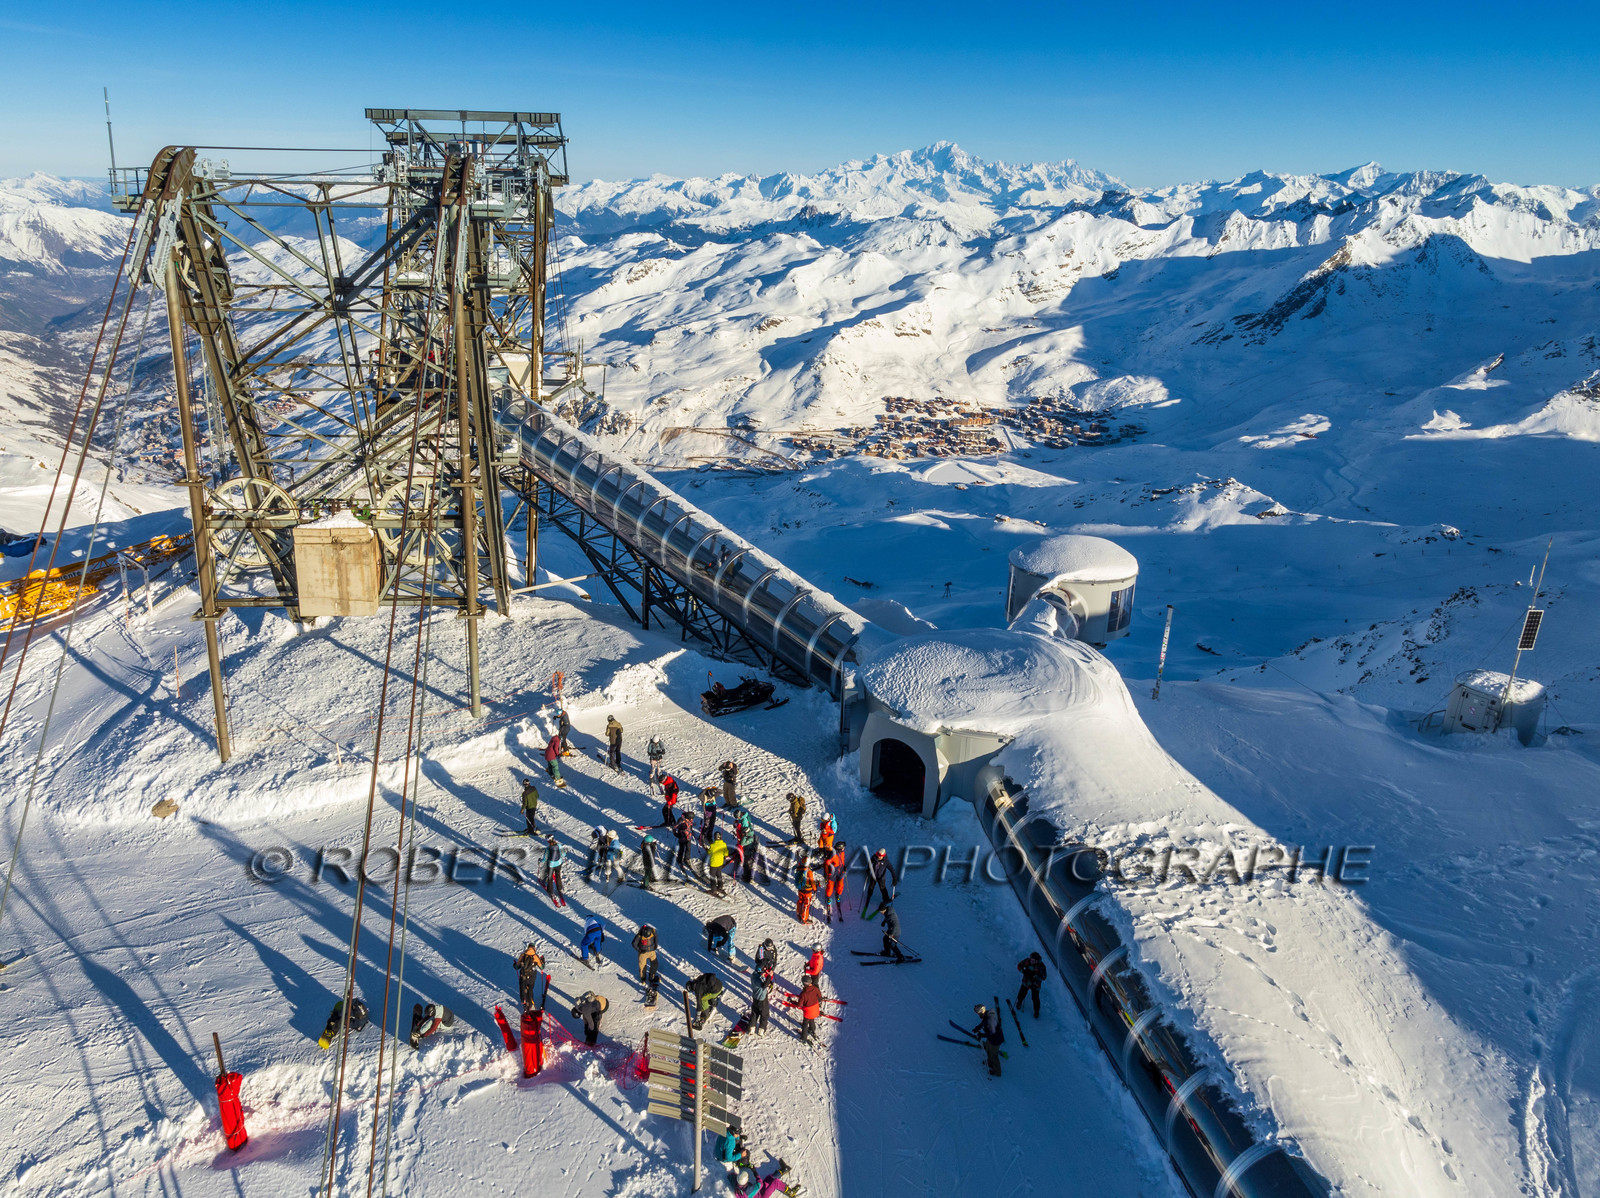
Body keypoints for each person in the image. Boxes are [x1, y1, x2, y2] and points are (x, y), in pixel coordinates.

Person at [970, 1003, 1004, 1077]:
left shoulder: (989, 1019)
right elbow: (983, 1023)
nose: (978, 1015)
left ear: (981, 1012)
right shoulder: (987, 1015)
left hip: (996, 1040)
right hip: (991, 1038)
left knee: (993, 1055)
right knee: (988, 1049)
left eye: (978, 1013)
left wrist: (982, 1035)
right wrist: (977, 1028)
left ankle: (997, 1071)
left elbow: (992, 1033)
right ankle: (990, 1062)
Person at [862, 848, 897, 916]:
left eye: (880, 856)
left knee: (882, 888)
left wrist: (894, 879)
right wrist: (868, 869)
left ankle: (886, 900)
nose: (879, 856)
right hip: (873, 876)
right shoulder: (874, 858)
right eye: (878, 855)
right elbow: (869, 863)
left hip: (881, 878)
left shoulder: (886, 861)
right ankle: (868, 897)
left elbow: (892, 870)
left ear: (883, 855)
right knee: (871, 887)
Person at [787, 978, 822, 1045]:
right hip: (815, 1009)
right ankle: (812, 1029)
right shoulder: (815, 989)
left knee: (805, 1024)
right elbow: (820, 998)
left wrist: (791, 1001)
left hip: (808, 1012)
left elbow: (799, 1005)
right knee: (811, 1018)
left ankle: (803, 1038)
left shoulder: (803, 994)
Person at [514, 942, 546, 1011]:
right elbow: (542, 967)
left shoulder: (523, 955)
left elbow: (517, 967)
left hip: (523, 976)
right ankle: (530, 1004)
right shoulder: (535, 956)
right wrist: (543, 960)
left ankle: (525, 1004)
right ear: (534, 948)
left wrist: (515, 964)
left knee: (524, 989)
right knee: (530, 990)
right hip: (532, 977)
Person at [1016, 951, 1048, 1018]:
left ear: (1037, 960)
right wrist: (1024, 971)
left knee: (1035, 998)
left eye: (1033, 960)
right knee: (1022, 993)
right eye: (1031, 959)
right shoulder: (1027, 961)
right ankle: (1019, 1002)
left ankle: (1036, 1011)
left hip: (1035, 985)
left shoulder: (1041, 966)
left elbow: (1044, 977)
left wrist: (1035, 975)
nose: (1031, 961)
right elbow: (1019, 966)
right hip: (1026, 982)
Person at [823, 841, 848, 924]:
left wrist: (844, 866)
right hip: (833, 872)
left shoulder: (842, 852)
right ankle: (828, 897)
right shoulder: (833, 854)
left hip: (840, 871)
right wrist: (826, 873)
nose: (844, 848)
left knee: (840, 885)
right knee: (830, 887)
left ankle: (838, 895)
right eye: (843, 847)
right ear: (840, 848)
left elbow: (842, 860)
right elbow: (826, 863)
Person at [748, 965, 771, 1035]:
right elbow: (764, 985)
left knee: (755, 1012)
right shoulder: (759, 981)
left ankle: (752, 1027)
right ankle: (761, 1029)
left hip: (755, 998)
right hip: (762, 1000)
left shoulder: (754, 976)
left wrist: (763, 974)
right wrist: (769, 976)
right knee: (764, 1014)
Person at [543, 835, 566, 901]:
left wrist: (540, 860)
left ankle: (551, 892)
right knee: (558, 876)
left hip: (551, 865)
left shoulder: (548, 848)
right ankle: (560, 889)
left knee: (550, 878)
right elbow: (563, 854)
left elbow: (545, 858)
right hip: (559, 863)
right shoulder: (559, 845)